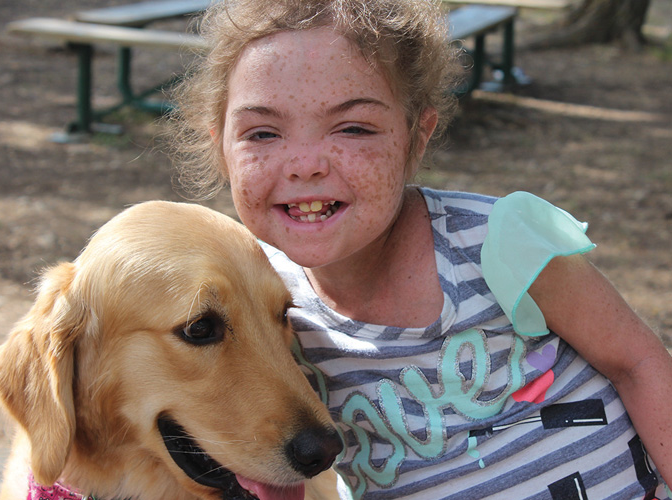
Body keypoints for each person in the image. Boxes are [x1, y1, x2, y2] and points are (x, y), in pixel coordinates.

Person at [169, 0, 672, 497]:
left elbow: (639, 363)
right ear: (222, 149)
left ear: (416, 137)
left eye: (353, 127)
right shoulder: (260, 301)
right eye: (262, 132)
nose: (305, 164)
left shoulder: (496, 242)